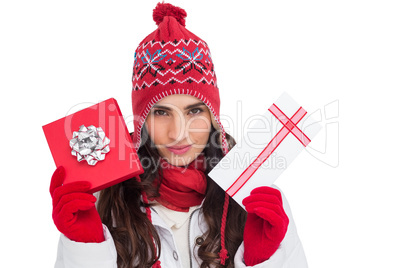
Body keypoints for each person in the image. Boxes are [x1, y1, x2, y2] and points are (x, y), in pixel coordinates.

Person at [49, 2, 308, 268]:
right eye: (161, 112)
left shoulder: (257, 195)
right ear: (142, 121)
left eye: (194, 110)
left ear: (213, 117)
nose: (178, 133)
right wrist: (85, 250)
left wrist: (263, 259)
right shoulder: (105, 199)